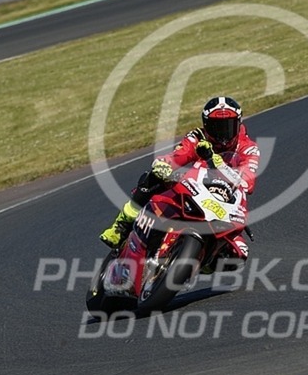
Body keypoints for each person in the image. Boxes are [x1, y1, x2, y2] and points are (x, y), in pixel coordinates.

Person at [99, 96, 260, 266]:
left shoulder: (248, 149)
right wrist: (164, 164)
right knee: (151, 178)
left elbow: (247, 183)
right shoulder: (198, 137)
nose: (222, 135)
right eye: (216, 127)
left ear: (238, 124)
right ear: (206, 125)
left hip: (225, 203)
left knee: (237, 256)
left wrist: (216, 162)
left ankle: (200, 260)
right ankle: (122, 226)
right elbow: (178, 155)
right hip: (194, 186)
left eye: (228, 127)